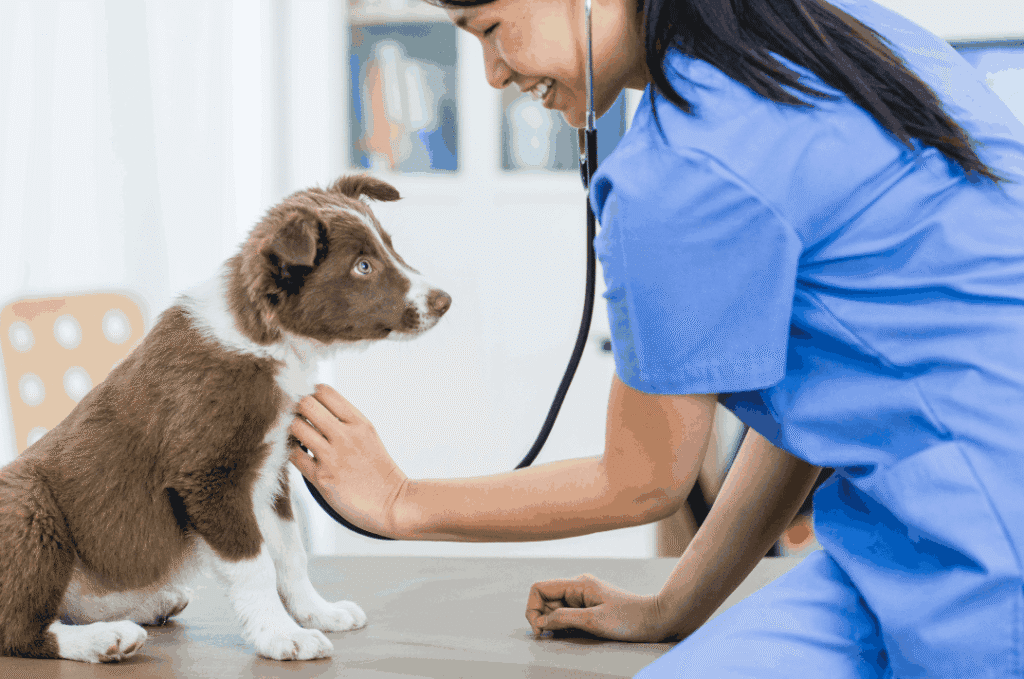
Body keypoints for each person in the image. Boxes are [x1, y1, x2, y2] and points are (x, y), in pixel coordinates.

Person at [289, 0, 1024, 675]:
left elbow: (643, 477)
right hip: (901, 536)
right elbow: (823, 388)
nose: (490, 73)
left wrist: (399, 500)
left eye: (489, 28)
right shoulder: (824, 33)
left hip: (989, 546)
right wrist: (674, 606)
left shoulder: (679, 169)